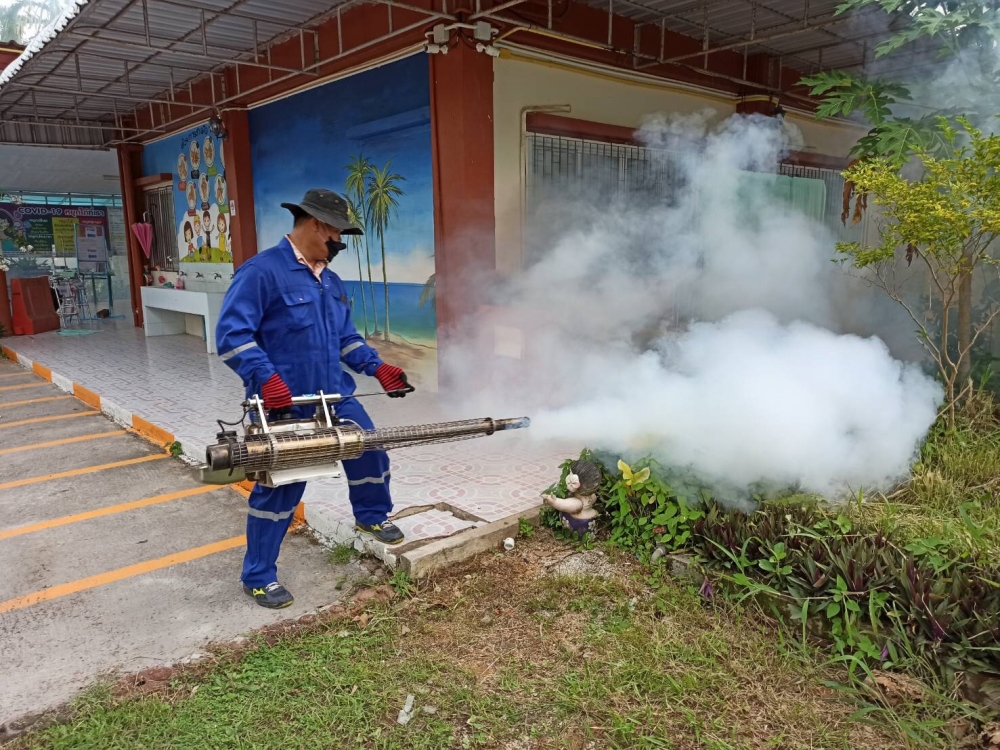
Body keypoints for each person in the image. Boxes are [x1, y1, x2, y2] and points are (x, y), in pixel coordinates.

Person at [215, 188, 412, 609]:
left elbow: (346, 339)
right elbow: (231, 336)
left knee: (370, 449)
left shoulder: (331, 282)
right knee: (282, 489)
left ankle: (371, 516)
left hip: (334, 395)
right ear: (318, 226)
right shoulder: (262, 272)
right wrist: (266, 378)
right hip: (284, 404)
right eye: (337, 235)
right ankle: (258, 576)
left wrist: (377, 368)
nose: (339, 244)